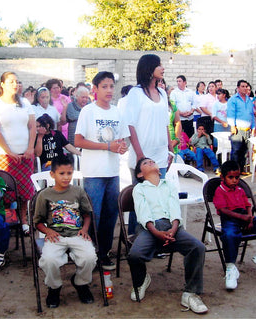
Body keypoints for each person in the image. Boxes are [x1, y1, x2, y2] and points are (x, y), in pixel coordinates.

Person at [128, 157, 208, 314]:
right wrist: (156, 232)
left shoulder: (169, 185)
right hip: (148, 227)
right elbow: (143, 212)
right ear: (139, 175)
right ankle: (142, 279)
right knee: (134, 255)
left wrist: (173, 228)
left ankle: (191, 293)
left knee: (197, 248)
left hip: (172, 226)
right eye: (145, 163)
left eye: (152, 161)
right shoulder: (139, 189)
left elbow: (174, 208)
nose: (150, 162)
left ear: (159, 168)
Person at [75, 71, 129, 270]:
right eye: (104, 86)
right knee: (92, 215)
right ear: (95, 89)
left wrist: (122, 147)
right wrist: (107, 147)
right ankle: (89, 254)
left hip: (113, 172)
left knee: (110, 214)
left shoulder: (117, 112)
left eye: (111, 86)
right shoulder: (88, 111)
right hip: (94, 173)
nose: (109, 90)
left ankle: (104, 253)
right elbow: (78, 141)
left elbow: (121, 140)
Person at [119, 54, 174, 237]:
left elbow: (166, 123)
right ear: (149, 69)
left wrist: (170, 148)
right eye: (159, 65)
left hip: (160, 156)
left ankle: (158, 238)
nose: (163, 68)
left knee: (158, 198)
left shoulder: (163, 93)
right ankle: (135, 238)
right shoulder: (135, 93)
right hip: (141, 158)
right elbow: (130, 125)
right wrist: (141, 156)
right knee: (140, 200)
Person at [33, 156, 97, 308]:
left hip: (77, 234)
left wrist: (85, 229)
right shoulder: (44, 195)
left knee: (90, 257)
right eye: (62, 173)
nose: (66, 177)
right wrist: (47, 231)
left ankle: (80, 283)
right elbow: (37, 222)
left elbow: (87, 214)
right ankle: (54, 288)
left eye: (69, 173)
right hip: (55, 236)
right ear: (52, 174)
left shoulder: (78, 192)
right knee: (49, 260)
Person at [213, 160, 256, 290]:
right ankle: (231, 267)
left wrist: (249, 219)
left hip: (245, 217)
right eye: (230, 177)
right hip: (230, 219)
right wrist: (242, 217)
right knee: (230, 235)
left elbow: (248, 205)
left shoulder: (240, 189)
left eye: (237, 177)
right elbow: (223, 210)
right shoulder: (220, 190)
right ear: (222, 177)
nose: (234, 180)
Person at [0, 71, 36, 236]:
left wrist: (30, 148)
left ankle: (24, 220)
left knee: (25, 191)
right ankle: (6, 220)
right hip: (3, 156)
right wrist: (8, 152)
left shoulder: (25, 103)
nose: (15, 84)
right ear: (2, 84)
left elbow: (32, 127)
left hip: (25, 155)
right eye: (11, 81)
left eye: (17, 81)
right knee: (4, 192)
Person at [227, 80, 256, 175]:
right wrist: (232, 126)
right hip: (237, 129)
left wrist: (253, 126)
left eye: (246, 86)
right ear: (238, 88)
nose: (245, 88)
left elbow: (251, 114)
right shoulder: (233, 99)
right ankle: (233, 171)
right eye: (242, 86)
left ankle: (241, 169)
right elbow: (231, 113)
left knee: (244, 151)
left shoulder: (249, 100)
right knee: (236, 151)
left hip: (247, 129)